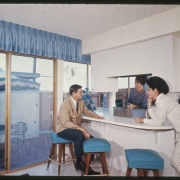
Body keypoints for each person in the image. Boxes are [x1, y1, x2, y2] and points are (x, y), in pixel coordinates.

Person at [134, 76, 180, 174]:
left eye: (149, 90)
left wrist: (142, 120)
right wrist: (149, 105)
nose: (147, 92)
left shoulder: (164, 101)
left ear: (156, 90)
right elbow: (157, 120)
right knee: (176, 162)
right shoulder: (161, 100)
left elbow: (159, 122)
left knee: (175, 161)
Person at [56, 84, 104, 175]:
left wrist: (95, 116)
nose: (82, 94)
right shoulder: (65, 105)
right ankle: (79, 162)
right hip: (63, 129)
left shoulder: (80, 102)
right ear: (73, 93)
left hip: (74, 128)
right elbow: (65, 123)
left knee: (90, 138)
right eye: (80, 92)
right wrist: (81, 129)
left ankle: (86, 167)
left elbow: (86, 111)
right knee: (79, 135)